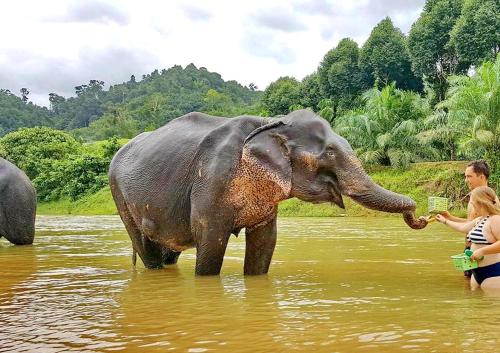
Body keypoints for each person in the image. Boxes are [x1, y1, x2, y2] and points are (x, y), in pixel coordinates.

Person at [439, 160, 498, 277]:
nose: (466, 180)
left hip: (483, 252)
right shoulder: (474, 197)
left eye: (469, 176)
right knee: (471, 285)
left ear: (481, 177)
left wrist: (482, 251)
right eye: (465, 176)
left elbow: (495, 229)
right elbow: (472, 224)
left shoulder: (490, 201)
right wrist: (448, 218)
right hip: (471, 248)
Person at [436, 186, 500, 290]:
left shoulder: (495, 219)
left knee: (492, 305)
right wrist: (445, 221)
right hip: (476, 273)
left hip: (493, 273)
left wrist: (482, 251)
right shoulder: (480, 219)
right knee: (475, 304)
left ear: (480, 201)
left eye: (472, 201)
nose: (472, 204)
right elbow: (462, 228)